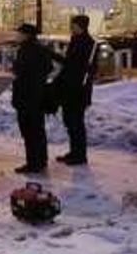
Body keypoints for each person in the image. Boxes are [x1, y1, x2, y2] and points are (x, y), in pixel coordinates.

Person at [12, 23, 54, 175]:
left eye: (19, 33)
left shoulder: (26, 51)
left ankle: (33, 163)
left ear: (26, 35)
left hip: (26, 96)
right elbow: (49, 67)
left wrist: (17, 71)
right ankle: (41, 160)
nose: (17, 36)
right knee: (38, 130)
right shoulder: (41, 49)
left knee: (29, 132)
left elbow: (20, 71)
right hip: (38, 95)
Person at [56, 14, 96, 167]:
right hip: (69, 89)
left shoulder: (88, 44)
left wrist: (87, 71)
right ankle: (74, 152)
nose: (71, 27)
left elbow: (78, 67)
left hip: (78, 90)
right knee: (69, 121)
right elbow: (69, 64)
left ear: (81, 26)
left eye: (73, 25)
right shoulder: (75, 41)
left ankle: (80, 155)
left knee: (76, 123)